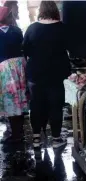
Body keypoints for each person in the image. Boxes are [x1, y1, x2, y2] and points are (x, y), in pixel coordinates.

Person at [23, 1, 71, 149]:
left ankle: (37, 138)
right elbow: (70, 48)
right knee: (55, 106)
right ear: (55, 10)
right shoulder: (63, 28)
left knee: (36, 105)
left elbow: (25, 50)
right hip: (57, 75)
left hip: (35, 74)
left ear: (41, 11)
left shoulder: (32, 28)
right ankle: (56, 139)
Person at [0, 6, 28, 143]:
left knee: (10, 100)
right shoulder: (16, 31)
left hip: (5, 69)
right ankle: (20, 130)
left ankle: (15, 132)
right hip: (20, 66)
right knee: (21, 98)